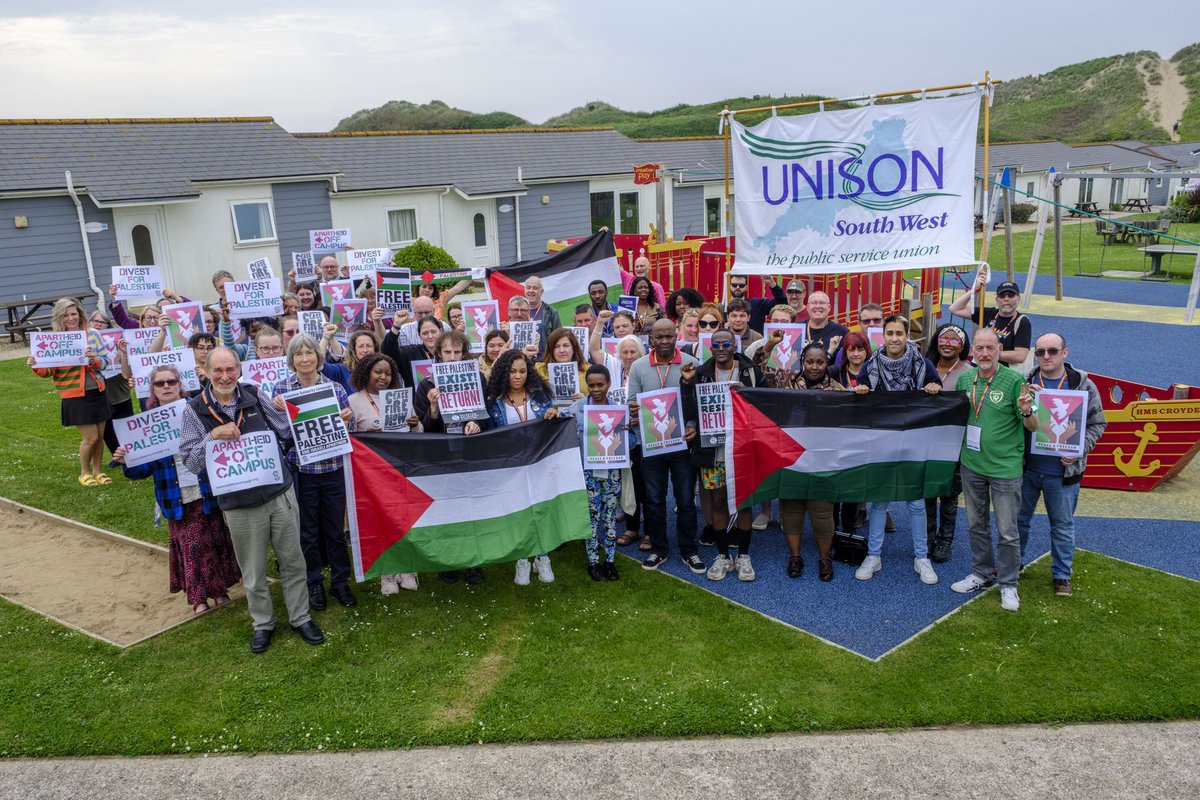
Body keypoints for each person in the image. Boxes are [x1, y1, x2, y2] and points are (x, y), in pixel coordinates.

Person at [178, 347, 322, 652]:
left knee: (293, 561)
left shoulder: (255, 394)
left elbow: (285, 430)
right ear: (205, 371)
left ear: (239, 369)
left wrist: (289, 408)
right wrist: (212, 436)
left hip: (278, 492)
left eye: (230, 369)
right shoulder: (194, 409)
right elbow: (191, 463)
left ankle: (301, 617)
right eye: (218, 371)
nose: (225, 376)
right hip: (239, 504)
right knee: (254, 572)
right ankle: (263, 623)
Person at [115, 364, 241, 614]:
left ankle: (219, 590)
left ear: (179, 384)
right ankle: (200, 598)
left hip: (205, 490)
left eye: (171, 382)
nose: (166, 387)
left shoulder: (196, 411)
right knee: (193, 546)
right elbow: (140, 471)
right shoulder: (145, 425)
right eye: (160, 384)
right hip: (176, 497)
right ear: (152, 389)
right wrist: (126, 461)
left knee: (213, 542)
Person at [950, 329, 1040, 612]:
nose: (985, 353)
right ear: (972, 351)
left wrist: (1027, 411)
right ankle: (981, 573)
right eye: (980, 348)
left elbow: (1032, 426)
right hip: (972, 465)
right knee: (975, 524)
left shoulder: (1015, 381)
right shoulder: (965, 378)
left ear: (999, 349)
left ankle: (1009, 584)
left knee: (1007, 531)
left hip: (1005, 469)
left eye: (990, 348)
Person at [269, 334, 358, 612]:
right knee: (307, 531)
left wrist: (348, 419)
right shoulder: (281, 390)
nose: (305, 359)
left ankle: (341, 582)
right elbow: (281, 433)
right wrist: (276, 410)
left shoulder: (334, 388)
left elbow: (350, 433)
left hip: (332, 468)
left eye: (309, 353)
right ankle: (313, 581)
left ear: (318, 358)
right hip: (302, 470)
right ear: (291, 359)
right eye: (299, 354)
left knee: (334, 529)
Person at [852, 315, 942, 585]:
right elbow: (860, 394)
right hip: (881, 440)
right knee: (880, 499)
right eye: (889, 333)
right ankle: (874, 554)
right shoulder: (870, 365)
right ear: (883, 336)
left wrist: (935, 387)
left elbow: (937, 390)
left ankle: (921, 557)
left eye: (899, 333)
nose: (893, 338)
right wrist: (861, 391)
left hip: (914, 439)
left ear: (907, 335)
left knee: (915, 501)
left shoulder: (922, 363)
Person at [1016, 334, 1107, 597]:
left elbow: (1098, 424)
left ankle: (1062, 575)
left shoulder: (1083, 385)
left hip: (1064, 472)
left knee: (1062, 525)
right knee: (1019, 521)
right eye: (1041, 351)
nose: (1046, 356)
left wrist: (1079, 451)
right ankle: (1016, 564)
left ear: (1064, 353)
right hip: (1028, 468)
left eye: (1052, 351)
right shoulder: (1026, 382)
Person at [680, 328, 762, 581]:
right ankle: (723, 555)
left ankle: (744, 556)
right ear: (710, 347)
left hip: (744, 449)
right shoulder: (702, 374)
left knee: (745, 502)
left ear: (735, 344)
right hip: (713, 450)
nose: (721, 348)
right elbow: (689, 409)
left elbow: (765, 405)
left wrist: (746, 394)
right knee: (717, 502)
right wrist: (686, 384)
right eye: (716, 345)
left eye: (726, 344)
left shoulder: (750, 372)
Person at [412, 330, 489, 585]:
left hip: (470, 454)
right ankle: (449, 562)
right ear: (438, 354)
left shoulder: (478, 378)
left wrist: (477, 423)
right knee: (446, 511)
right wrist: (433, 407)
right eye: (447, 352)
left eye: (457, 352)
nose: (453, 357)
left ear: (464, 353)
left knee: (471, 509)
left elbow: (487, 415)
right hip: (442, 457)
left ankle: (474, 562)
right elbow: (426, 431)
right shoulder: (426, 385)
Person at [626, 318, 703, 573]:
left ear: (676, 336)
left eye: (669, 336)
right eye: (659, 337)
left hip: (681, 444)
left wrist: (692, 424)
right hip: (652, 446)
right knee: (655, 501)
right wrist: (634, 410)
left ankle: (689, 550)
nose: (664, 341)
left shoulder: (692, 364)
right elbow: (632, 401)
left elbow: (698, 402)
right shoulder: (638, 366)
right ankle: (659, 549)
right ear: (651, 339)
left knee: (685, 500)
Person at [348, 352, 421, 594]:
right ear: (366, 372)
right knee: (382, 521)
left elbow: (417, 434)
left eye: (388, 373)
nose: (383, 377)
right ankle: (388, 573)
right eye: (378, 372)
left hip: (401, 468)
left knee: (404, 519)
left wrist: (415, 424)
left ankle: (408, 567)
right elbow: (350, 437)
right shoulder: (353, 401)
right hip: (373, 473)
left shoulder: (401, 397)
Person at [486, 349, 559, 584]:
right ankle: (522, 559)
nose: (518, 376)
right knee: (520, 514)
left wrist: (554, 414)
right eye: (512, 371)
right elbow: (489, 436)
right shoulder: (494, 403)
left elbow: (555, 424)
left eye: (523, 371)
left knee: (540, 511)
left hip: (539, 464)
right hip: (512, 467)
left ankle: (542, 556)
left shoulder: (540, 397)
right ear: (503, 373)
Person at [776, 342, 844, 580]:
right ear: (802, 362)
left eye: (820, 362)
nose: (814, 367)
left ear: (827, 363)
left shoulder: (838, 390)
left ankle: (825, 558)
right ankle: (795, 556)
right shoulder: (785, 384)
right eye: (809, 362)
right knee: (791, 508)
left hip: (823, 460)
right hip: (791, 457)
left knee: (822, 511)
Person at [29, 296, 112, 486]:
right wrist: (36, 365)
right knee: (90, 438)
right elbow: (49, 371)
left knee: (100, 437)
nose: (71, 318)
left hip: (97, 391)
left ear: (80, 314)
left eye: (74, 314)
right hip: (74, 394)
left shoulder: (92, 334)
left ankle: (98, 471)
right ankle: (84, 472)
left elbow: (106, 362)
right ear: (59, 318)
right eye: (66, 315)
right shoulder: (54, 340)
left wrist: (93, 360)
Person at [567, 365, 625, 581]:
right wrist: (553, 413)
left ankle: (609, 561)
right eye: (591, 385)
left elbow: (633, 442)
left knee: (610, 516)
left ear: (608, 384)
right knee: (592, 517)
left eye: (600, 385)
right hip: (588, 473)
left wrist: (628, 432)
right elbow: (558, 421)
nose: (595, 389)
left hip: (611, 472)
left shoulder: (619, 409)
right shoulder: (579, 407)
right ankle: (592, 562)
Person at [923, 323, 972, 562]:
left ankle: (945, 540)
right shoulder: (923, 366)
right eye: (944, 339)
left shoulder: (969, 372)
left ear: (962, 346)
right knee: (928, 493)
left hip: (955, 446)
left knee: (950, 497)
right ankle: (928, 537)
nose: (948, 344)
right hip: (926, 443)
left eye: (955, 341)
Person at [949, 278, 1032, 369]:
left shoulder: (1022, 322)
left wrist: (987, 353)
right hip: (978, 367)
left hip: (1001, 372)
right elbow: (954, 309)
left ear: (1018, 299)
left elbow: (1020, 356)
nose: (1006, 299)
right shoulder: (989, 313)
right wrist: (974, 290)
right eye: (1002, 295)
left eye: (1011, 295)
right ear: (997, 300)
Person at [88, 310, 135, 461]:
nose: (99, 325)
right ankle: (116, 456)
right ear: (90, 323)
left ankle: (132, 453)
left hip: (119, 386)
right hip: (100, 388)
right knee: (106, 426)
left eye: (102, 322)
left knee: (125, 422)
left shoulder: (118, 338)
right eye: (95, 321)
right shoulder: (87, 341)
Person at [535, 327, 588, 402]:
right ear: (551, 350)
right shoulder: (539, 370)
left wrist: (585, 400)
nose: (562, 350)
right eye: (557, 346)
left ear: (574, 349)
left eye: (566, 345)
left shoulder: (587, 370)